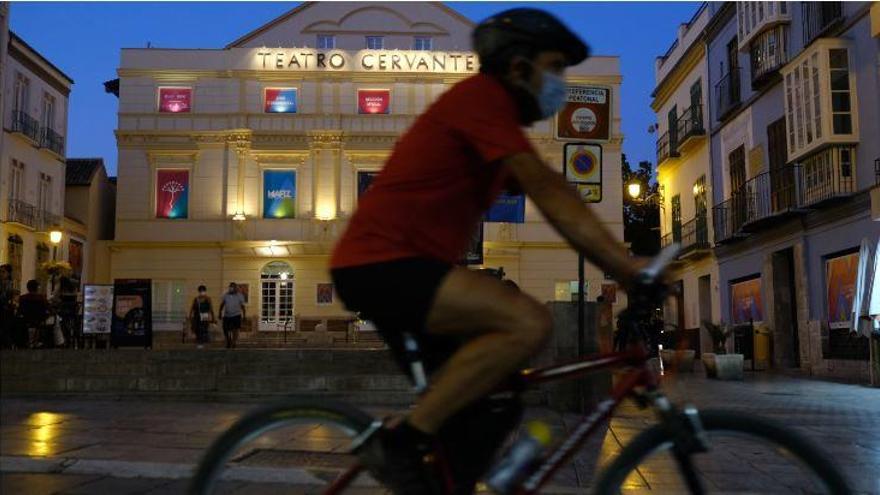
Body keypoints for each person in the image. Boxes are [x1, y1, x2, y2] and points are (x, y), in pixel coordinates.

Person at [330, 8, 645, 494]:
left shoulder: (496, 122)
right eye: (554, 66)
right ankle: (402, 445)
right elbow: (553, 194)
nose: (559, 81)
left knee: (495, 397)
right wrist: (629, 270)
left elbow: (552, 191)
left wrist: (619, 266)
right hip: (383, 262)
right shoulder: (480, 101)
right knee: (528, 322)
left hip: (406, 265)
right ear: (518, 66)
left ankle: (439, 479)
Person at [18, 280, 49, 349]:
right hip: (39, 319)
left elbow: (20, 310)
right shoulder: (41, 298)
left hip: (26, 319)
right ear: (37, 288)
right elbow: (47, 308)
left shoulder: (22, 298)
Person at [219, 282, 246, 349]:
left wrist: (244, 316)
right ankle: (228, 340)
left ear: (235, 288)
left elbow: (243, 306)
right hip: (227, 315)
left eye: (233, 287)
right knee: (225, 329)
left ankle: (234, 342)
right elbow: (222, 304)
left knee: (235, 329)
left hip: (236, 315)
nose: (231, 288)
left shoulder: (240, 295)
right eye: (230, 287)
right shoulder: (225, 295)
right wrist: (219, 313)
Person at [0, 264, 16, 348]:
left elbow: (7, 297)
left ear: (8, 273)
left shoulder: (9, 284)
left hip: (5, 309)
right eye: (0, 272)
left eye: (3, 272)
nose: (1, 274)